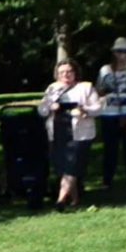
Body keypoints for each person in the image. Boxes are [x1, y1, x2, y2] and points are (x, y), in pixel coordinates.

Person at [38, 60, 102, 209]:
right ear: (57, 74)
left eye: (69, 71)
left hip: (80, 133)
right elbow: (41, 110)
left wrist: (84, 110)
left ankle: (60, 201)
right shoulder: (53, 88)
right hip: (58, 133)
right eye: (62, 72)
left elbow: (98, 108)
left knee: (72, 165)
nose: (65, 75)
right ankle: (75, 199)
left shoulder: (85, 87)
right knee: (63, 166)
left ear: (75, 72)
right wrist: (49, 107)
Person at [96, 37, 126, 190]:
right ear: (114, 53)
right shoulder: (105, 69)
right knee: (110, 149)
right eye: (119, 51)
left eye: (125, 51)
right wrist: (105, 89)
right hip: (109, 112)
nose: (122, 54)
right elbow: (99, 90)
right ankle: (107, 180)